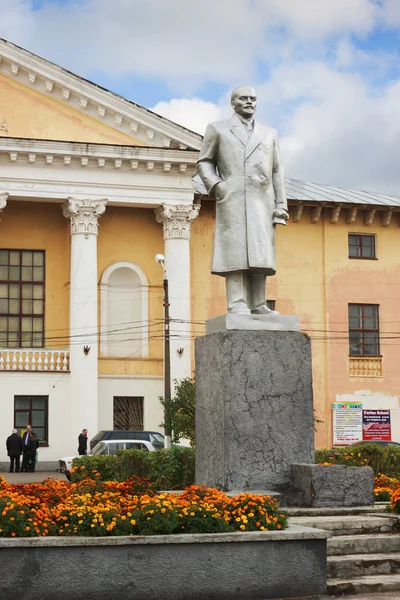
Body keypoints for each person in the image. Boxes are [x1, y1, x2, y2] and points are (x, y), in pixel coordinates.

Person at [197, 85, 289, 315]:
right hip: (233, 196)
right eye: (244, 98)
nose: (249, 102)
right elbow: (204, 162)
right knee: (235, 250)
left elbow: (277, 170)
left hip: (262, 199)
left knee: (260, 252)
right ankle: (236, 302)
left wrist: (281, 204)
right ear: (233, 103)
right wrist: (217, 186)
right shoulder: (218, 129)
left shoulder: (270, 133)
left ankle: (258, 303)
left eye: (253, 98)